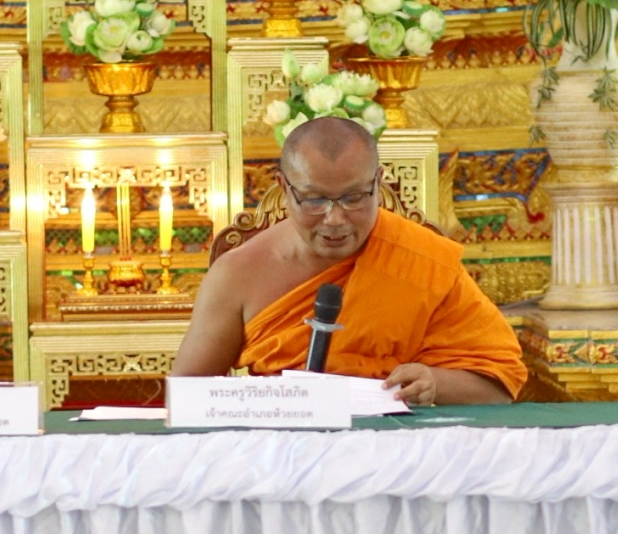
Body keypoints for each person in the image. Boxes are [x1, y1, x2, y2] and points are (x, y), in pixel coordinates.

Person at [171, 117, 524, 405]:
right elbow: (186, 397)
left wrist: (433, 383)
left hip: (395, 454)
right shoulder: (238, 274)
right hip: (278, 454)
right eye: (314, 200)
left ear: (379, 182)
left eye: (354, 198)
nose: (335, 219)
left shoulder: (421, 259)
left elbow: (501, 385)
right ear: (283, 187)